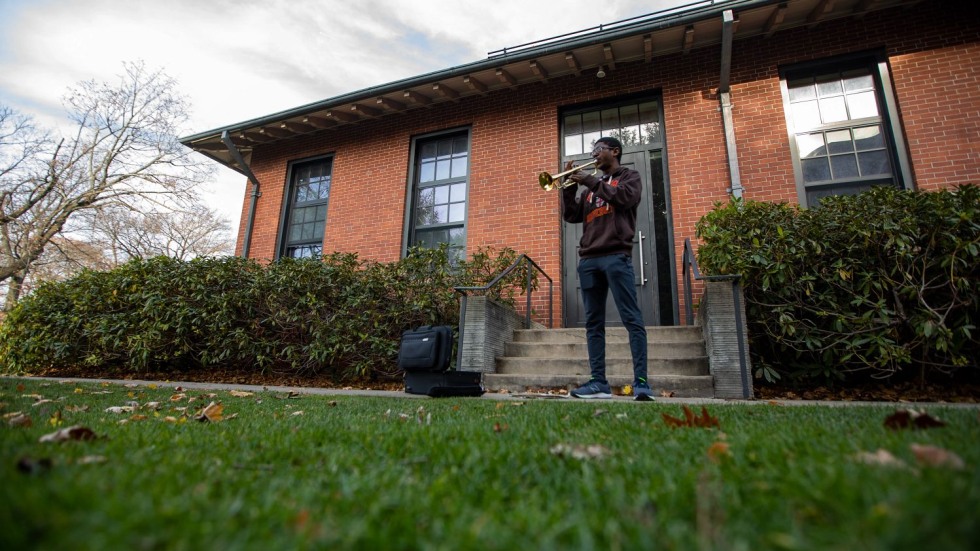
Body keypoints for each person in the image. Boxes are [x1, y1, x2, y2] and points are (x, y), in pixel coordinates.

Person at [560, 137, 654, 401]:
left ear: (615, 151)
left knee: (632, 319)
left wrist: (589, 181)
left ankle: (642, 383)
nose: (594, 154)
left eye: (598, 150)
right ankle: (598, 382)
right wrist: (568, 187)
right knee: (593, 323)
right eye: (593, 151)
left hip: (616, 256)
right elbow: (572, 216)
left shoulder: (629, 177)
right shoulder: (591, 188)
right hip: (589, 260)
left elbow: (623, 199)